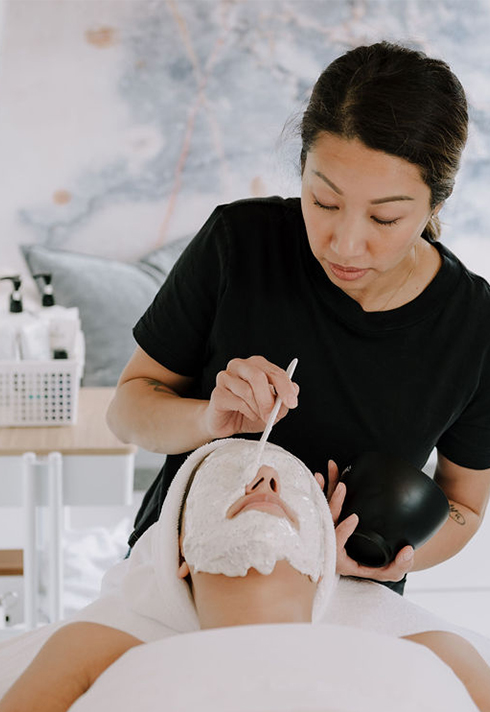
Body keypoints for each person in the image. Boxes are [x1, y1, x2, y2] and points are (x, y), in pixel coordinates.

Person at [106, 40, 490, 594]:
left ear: (434, 206)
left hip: (347, 597)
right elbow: (126, 410)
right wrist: (206, 420)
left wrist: (385, 557)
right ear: (303, 169)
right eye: (324, 202)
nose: (346, 245)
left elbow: (463, 506)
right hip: (186, 575)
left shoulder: (471, 326)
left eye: (384, 218)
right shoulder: (240, 244)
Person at [1, 439, 489, 712]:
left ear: (322, 551)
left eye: (289, 484)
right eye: (227, 480)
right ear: (177, 550)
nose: (265, 481)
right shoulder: (89, 649)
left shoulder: (439, 651)